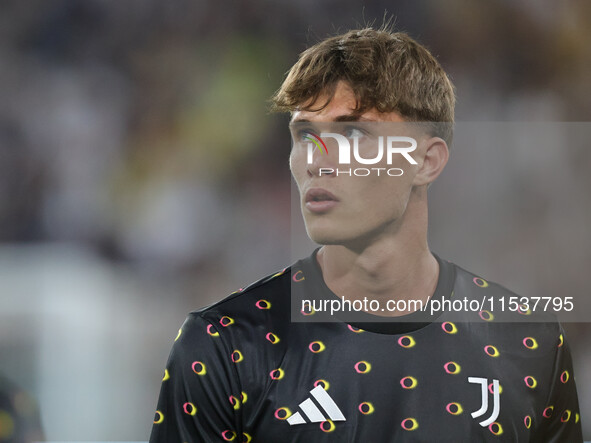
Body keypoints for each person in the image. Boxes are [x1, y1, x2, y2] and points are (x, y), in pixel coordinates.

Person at [149, 27, 582, 442]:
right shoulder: (225, 344)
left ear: (427, 161)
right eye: (304, 134)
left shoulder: (529, 341)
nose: (316, 161)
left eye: (353, 132)